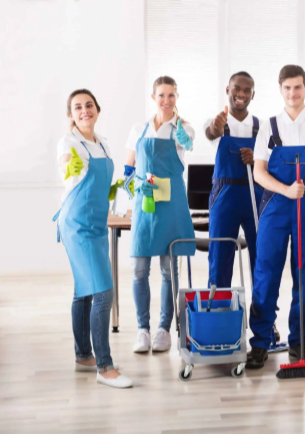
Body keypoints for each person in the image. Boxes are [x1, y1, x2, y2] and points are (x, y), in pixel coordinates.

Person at [246, 65, 305, 369]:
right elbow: (259, 172)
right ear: (280, 89)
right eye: (287, 88)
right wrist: (286, 191)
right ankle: (260, 343)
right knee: (266, 273)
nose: (292, 93)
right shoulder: (268, 125)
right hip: (277, 204)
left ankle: (299, 342)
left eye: (297, 87)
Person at [54, 89, 132, 388]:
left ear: (97, 109)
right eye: (77, 107)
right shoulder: (69, 142)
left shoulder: (102, 143)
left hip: (96, 221)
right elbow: (67, 166)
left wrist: (113, 192)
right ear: (70, 115)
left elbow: (99, 180)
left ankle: (84, 355)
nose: (84, 110)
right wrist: (67, 168)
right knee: (103, 293)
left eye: (89, 105)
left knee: (85, 291)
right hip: (77, 223)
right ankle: (105, 366)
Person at [125, 76, 196, 354]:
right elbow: (129, 167)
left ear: (177, 97)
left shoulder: (184, 127)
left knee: (169, 271)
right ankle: (142, 329)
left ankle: (164, 330)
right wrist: (132, 189)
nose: (166, 100)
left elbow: (188, 144)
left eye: (171, 95)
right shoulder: (138, 129)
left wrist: (183, 138)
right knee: (139, 270)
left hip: (172, 205)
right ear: (153, 97)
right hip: (147, 204)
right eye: (161, 95)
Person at [204, 71, 261, 289]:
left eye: (247, 90)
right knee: (219, 257)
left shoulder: (261, 127)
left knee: (261, 256)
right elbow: (211, 133)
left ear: (253, 95)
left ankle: (262, 319)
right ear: (228, 90)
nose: (241, 94)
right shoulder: (217, 122)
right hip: (224, 197)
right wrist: (216, 128)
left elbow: (270, 163)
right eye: (236, 88)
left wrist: (256, 159)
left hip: (255, 197)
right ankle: (220, 315)